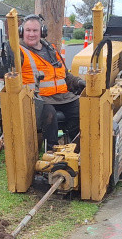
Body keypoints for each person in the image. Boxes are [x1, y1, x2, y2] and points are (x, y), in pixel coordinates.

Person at [18, 14, 85, 147]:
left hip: (63, 97)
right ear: (21, 32)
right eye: (28, 30)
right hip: (39, 99)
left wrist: (78, 82)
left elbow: (65, 75)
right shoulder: (18, 51)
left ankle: (77, 147)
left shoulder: (51, 49)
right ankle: (52, 151)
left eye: (35, 30)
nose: (31, 34)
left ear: (42, 32)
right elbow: (4, 58)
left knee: (83, 109)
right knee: (50, 115)